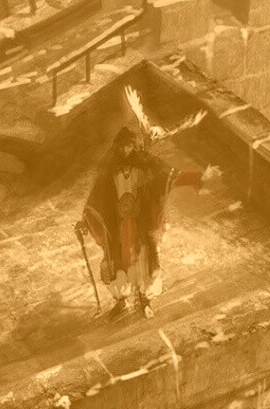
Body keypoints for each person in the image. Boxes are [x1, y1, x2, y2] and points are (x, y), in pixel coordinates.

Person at [76, 125, 217, 320]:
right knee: (118, 260)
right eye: (122, 146)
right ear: (117, 147)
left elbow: (169, 176)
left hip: (141, 222)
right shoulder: (109, 171)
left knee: (145, 259)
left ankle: (145, 299)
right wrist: (86, 221)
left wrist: (196, 178)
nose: (125, 150)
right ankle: (121, 301)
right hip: (118, 224)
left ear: (133, 146)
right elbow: (96, 199)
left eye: (128, 146)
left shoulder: (146, 165)